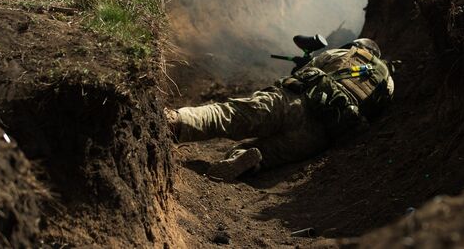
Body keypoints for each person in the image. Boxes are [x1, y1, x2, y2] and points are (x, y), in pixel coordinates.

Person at [166, 38, 394, 181]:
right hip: (318, 135)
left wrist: (301, 67)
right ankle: (247, 159)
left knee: (229, 115)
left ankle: (175, 121)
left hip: (294, 102)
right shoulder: (387, 84)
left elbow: (306, 73)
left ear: (358, 47)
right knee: (266, 154)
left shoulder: (344, 54)